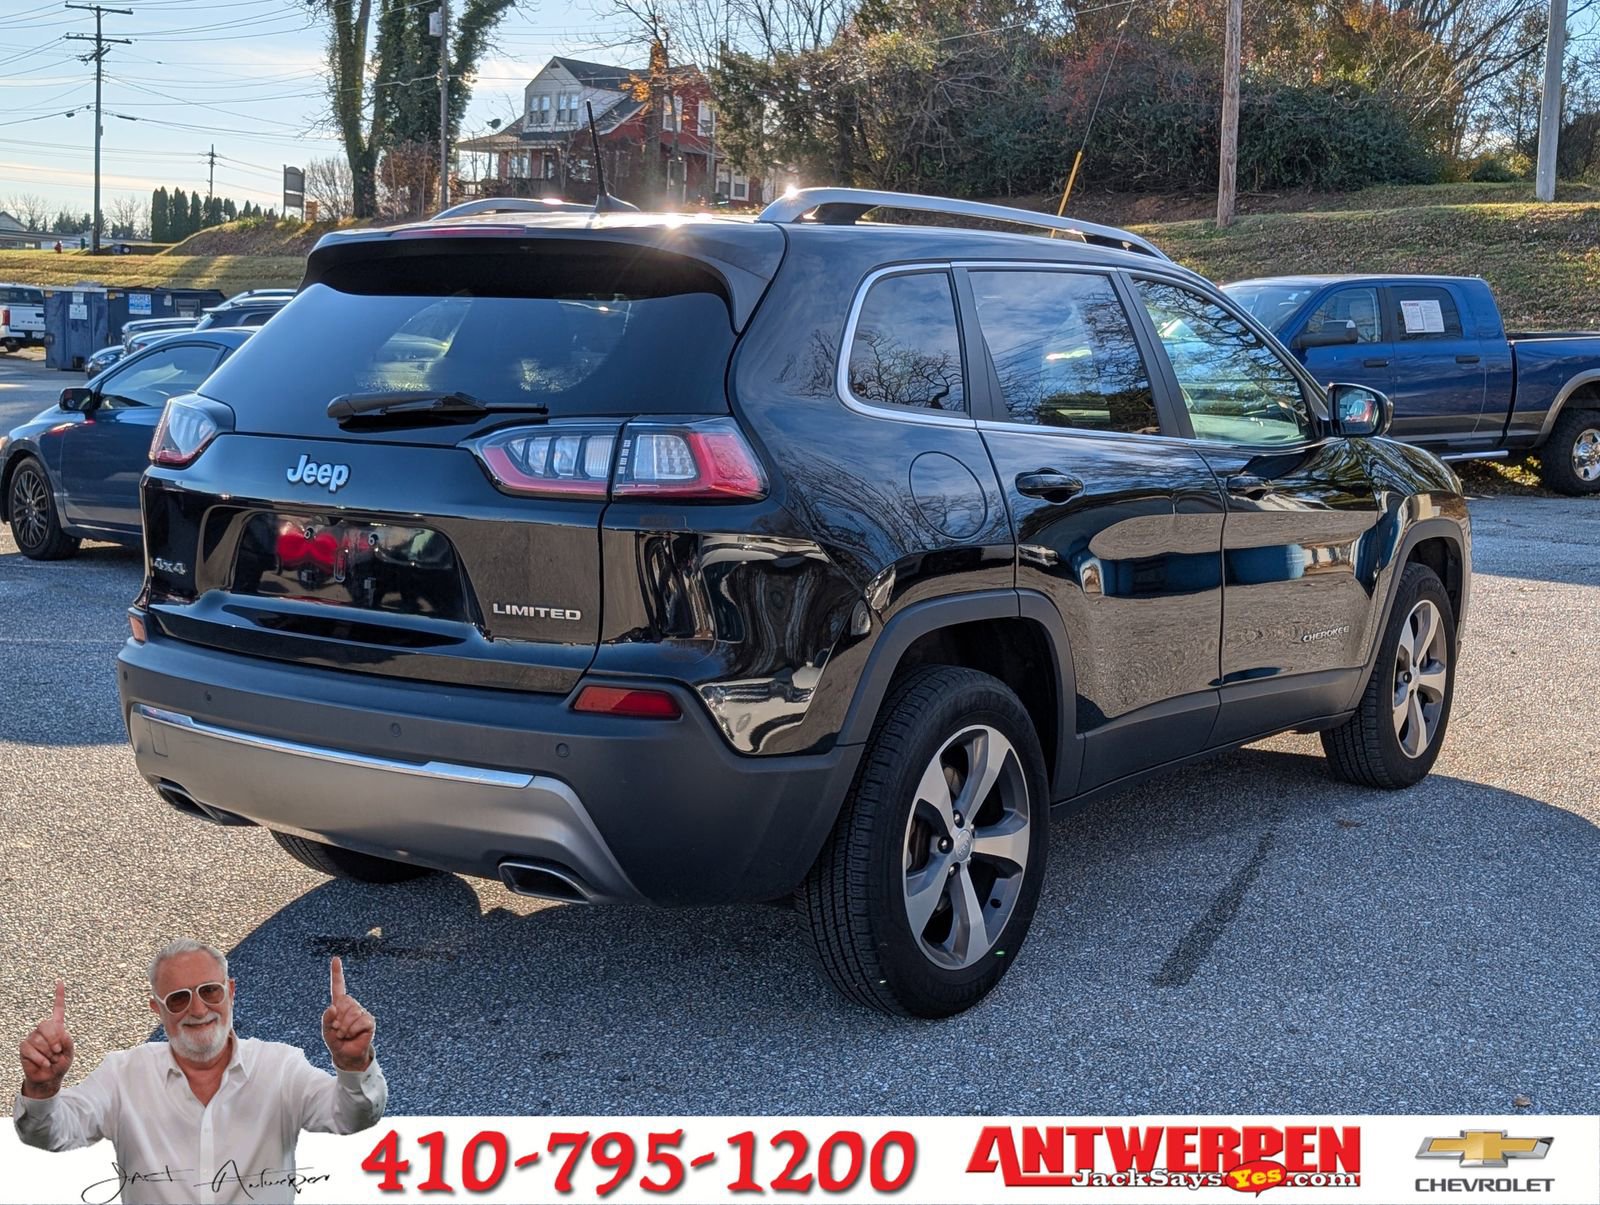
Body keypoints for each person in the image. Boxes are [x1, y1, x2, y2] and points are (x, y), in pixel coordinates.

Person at [14, 939, 386, 1205]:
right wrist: (42, 1087)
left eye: (210, 991)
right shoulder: (122, 1075)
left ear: (230, 991)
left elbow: (351, 1117)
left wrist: (353, 1063)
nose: (197, 1009)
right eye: (178, 998)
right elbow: (51, 1134)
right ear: (157, 1010)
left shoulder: (280, 1068)